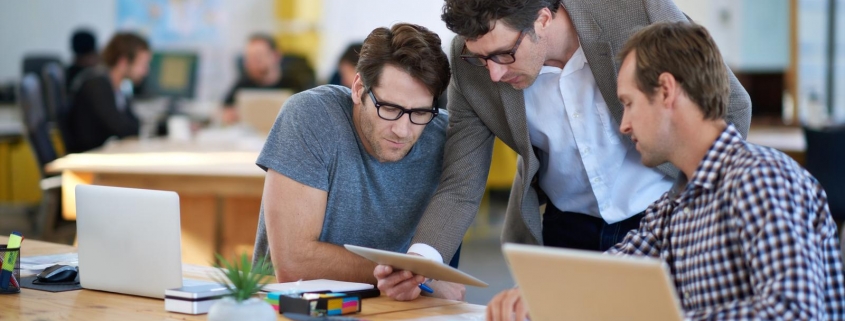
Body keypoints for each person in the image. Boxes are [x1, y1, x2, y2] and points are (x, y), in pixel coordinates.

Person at [375, 0, 752, 302]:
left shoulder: (637, 12)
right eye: (480, 58)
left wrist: (699, 209)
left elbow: (733, 105)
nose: (492, 73)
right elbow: (460, 183)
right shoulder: (470, 63)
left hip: (662, 210)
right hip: (564, 226)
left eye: (504, 54)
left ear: (542, 19)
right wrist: (419, 263)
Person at [492, 21, 845, 321]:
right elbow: (609, 276)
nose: (624, 125)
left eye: (628, 104)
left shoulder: (759, 179)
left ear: (666, 90)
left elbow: (794, 311)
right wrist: (537, 297)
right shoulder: (673, 206)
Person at [250, 23, 464, 299]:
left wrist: (415, 281)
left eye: (420, 112)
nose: (403, 129)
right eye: (390, 108)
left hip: (398, 309)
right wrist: (411, 277)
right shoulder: (310, 116)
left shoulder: (443, 135)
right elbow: (293, 264)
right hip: (294, 306)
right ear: (358, 88)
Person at [65, 32, 150, 153]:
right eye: (142, 64)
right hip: (89, 161)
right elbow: (124, 130)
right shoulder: (97, 85)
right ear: (123, 62)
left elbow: (133, 125)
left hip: (102, 155)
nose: (145, 71)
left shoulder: (116, 87)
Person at [221, 34, 316, 124]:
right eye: (249, 58)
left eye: (258, 56)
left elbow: (310, 114)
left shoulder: (295, 82)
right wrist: (229, 115)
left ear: (275, 56)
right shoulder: (243, 83)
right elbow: (225, 108)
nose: (253, 63)